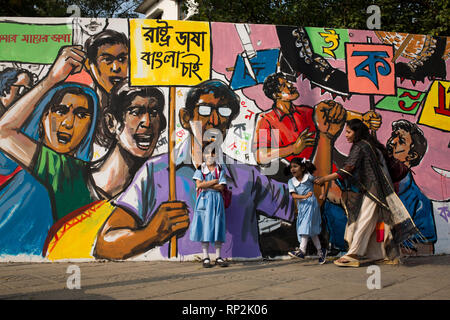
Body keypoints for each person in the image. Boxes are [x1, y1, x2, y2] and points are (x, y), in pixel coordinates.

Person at [99, 79, 295, 261]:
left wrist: (324, 139)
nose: (215, 120)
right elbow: (104, 244)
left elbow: (299, 207)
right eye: (204, 110)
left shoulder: (247, 175)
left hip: (241, 281)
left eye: (224, 112)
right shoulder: (156, 171)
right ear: (185, 118)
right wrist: (151, 234)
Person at [315, 119, 418, 267]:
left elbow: (347, 169)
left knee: (362, 221)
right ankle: (382, 254)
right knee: (379, 224)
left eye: (349, 132)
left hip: (373, 191)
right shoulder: (371, 146)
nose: (346, 135)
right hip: (379, 191)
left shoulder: (361, 147)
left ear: (357, 132)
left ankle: (353, 254)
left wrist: (325, 178)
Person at [386, 120, 436, 253]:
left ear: (412, 156)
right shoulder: (377, 183)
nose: (392, 142)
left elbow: (425, 250)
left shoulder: (419, 201)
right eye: (393, 136)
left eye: (401, 141)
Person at [191, 147, 228, 268]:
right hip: (204, 201)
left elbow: (221, 187)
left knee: (218, 226)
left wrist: (205, 185)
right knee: (204, 227)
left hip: (217, 201)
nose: (210, 155)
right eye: (207, 153)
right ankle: (205, 256)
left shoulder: (220, 169)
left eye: (213, 153)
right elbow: (199, 185)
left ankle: (218, 256)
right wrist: (215, 181)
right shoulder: (200, 169)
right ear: (204, 155)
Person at [287, 157, 327, 264]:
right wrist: (304, 197)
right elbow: (294, 195)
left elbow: (321, 182)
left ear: (303, 168)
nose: (292, 169)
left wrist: (323, 193)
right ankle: (320, 251)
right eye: (291, 167)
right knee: (311, 230)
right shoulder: (291, 181)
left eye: (295, 166)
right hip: (302, 206)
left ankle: (302, 250)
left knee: (305, 225)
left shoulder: (308, 177)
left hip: (311, 205)